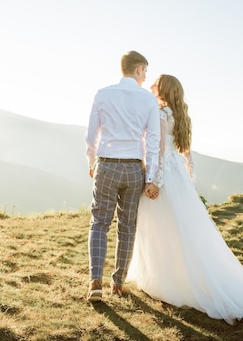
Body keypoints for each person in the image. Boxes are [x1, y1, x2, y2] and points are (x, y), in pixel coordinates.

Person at [126, 74, 243, 324]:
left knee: (161, 228)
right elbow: (186, 152)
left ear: (164, 89)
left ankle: (166, 280)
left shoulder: (160, 114)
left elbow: (158, 149)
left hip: (163, 176)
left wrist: (154, 181)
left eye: (155, 83)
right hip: (177, 173)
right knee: (182, 229)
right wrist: (185, 174)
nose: (150, 86)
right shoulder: (180, 114)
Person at [85, 51, 161, 302]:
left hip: (107, 164)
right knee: (127, 227)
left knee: (99, 224)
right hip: (133, 169)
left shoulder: (103, 94)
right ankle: (118, 283)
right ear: (138, 69)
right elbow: (153, 141)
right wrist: (151, 176)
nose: (146, 76)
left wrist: (92, 161)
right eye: (145, 71)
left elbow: (91, 134)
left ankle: (95, 282)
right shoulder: (148, 100)